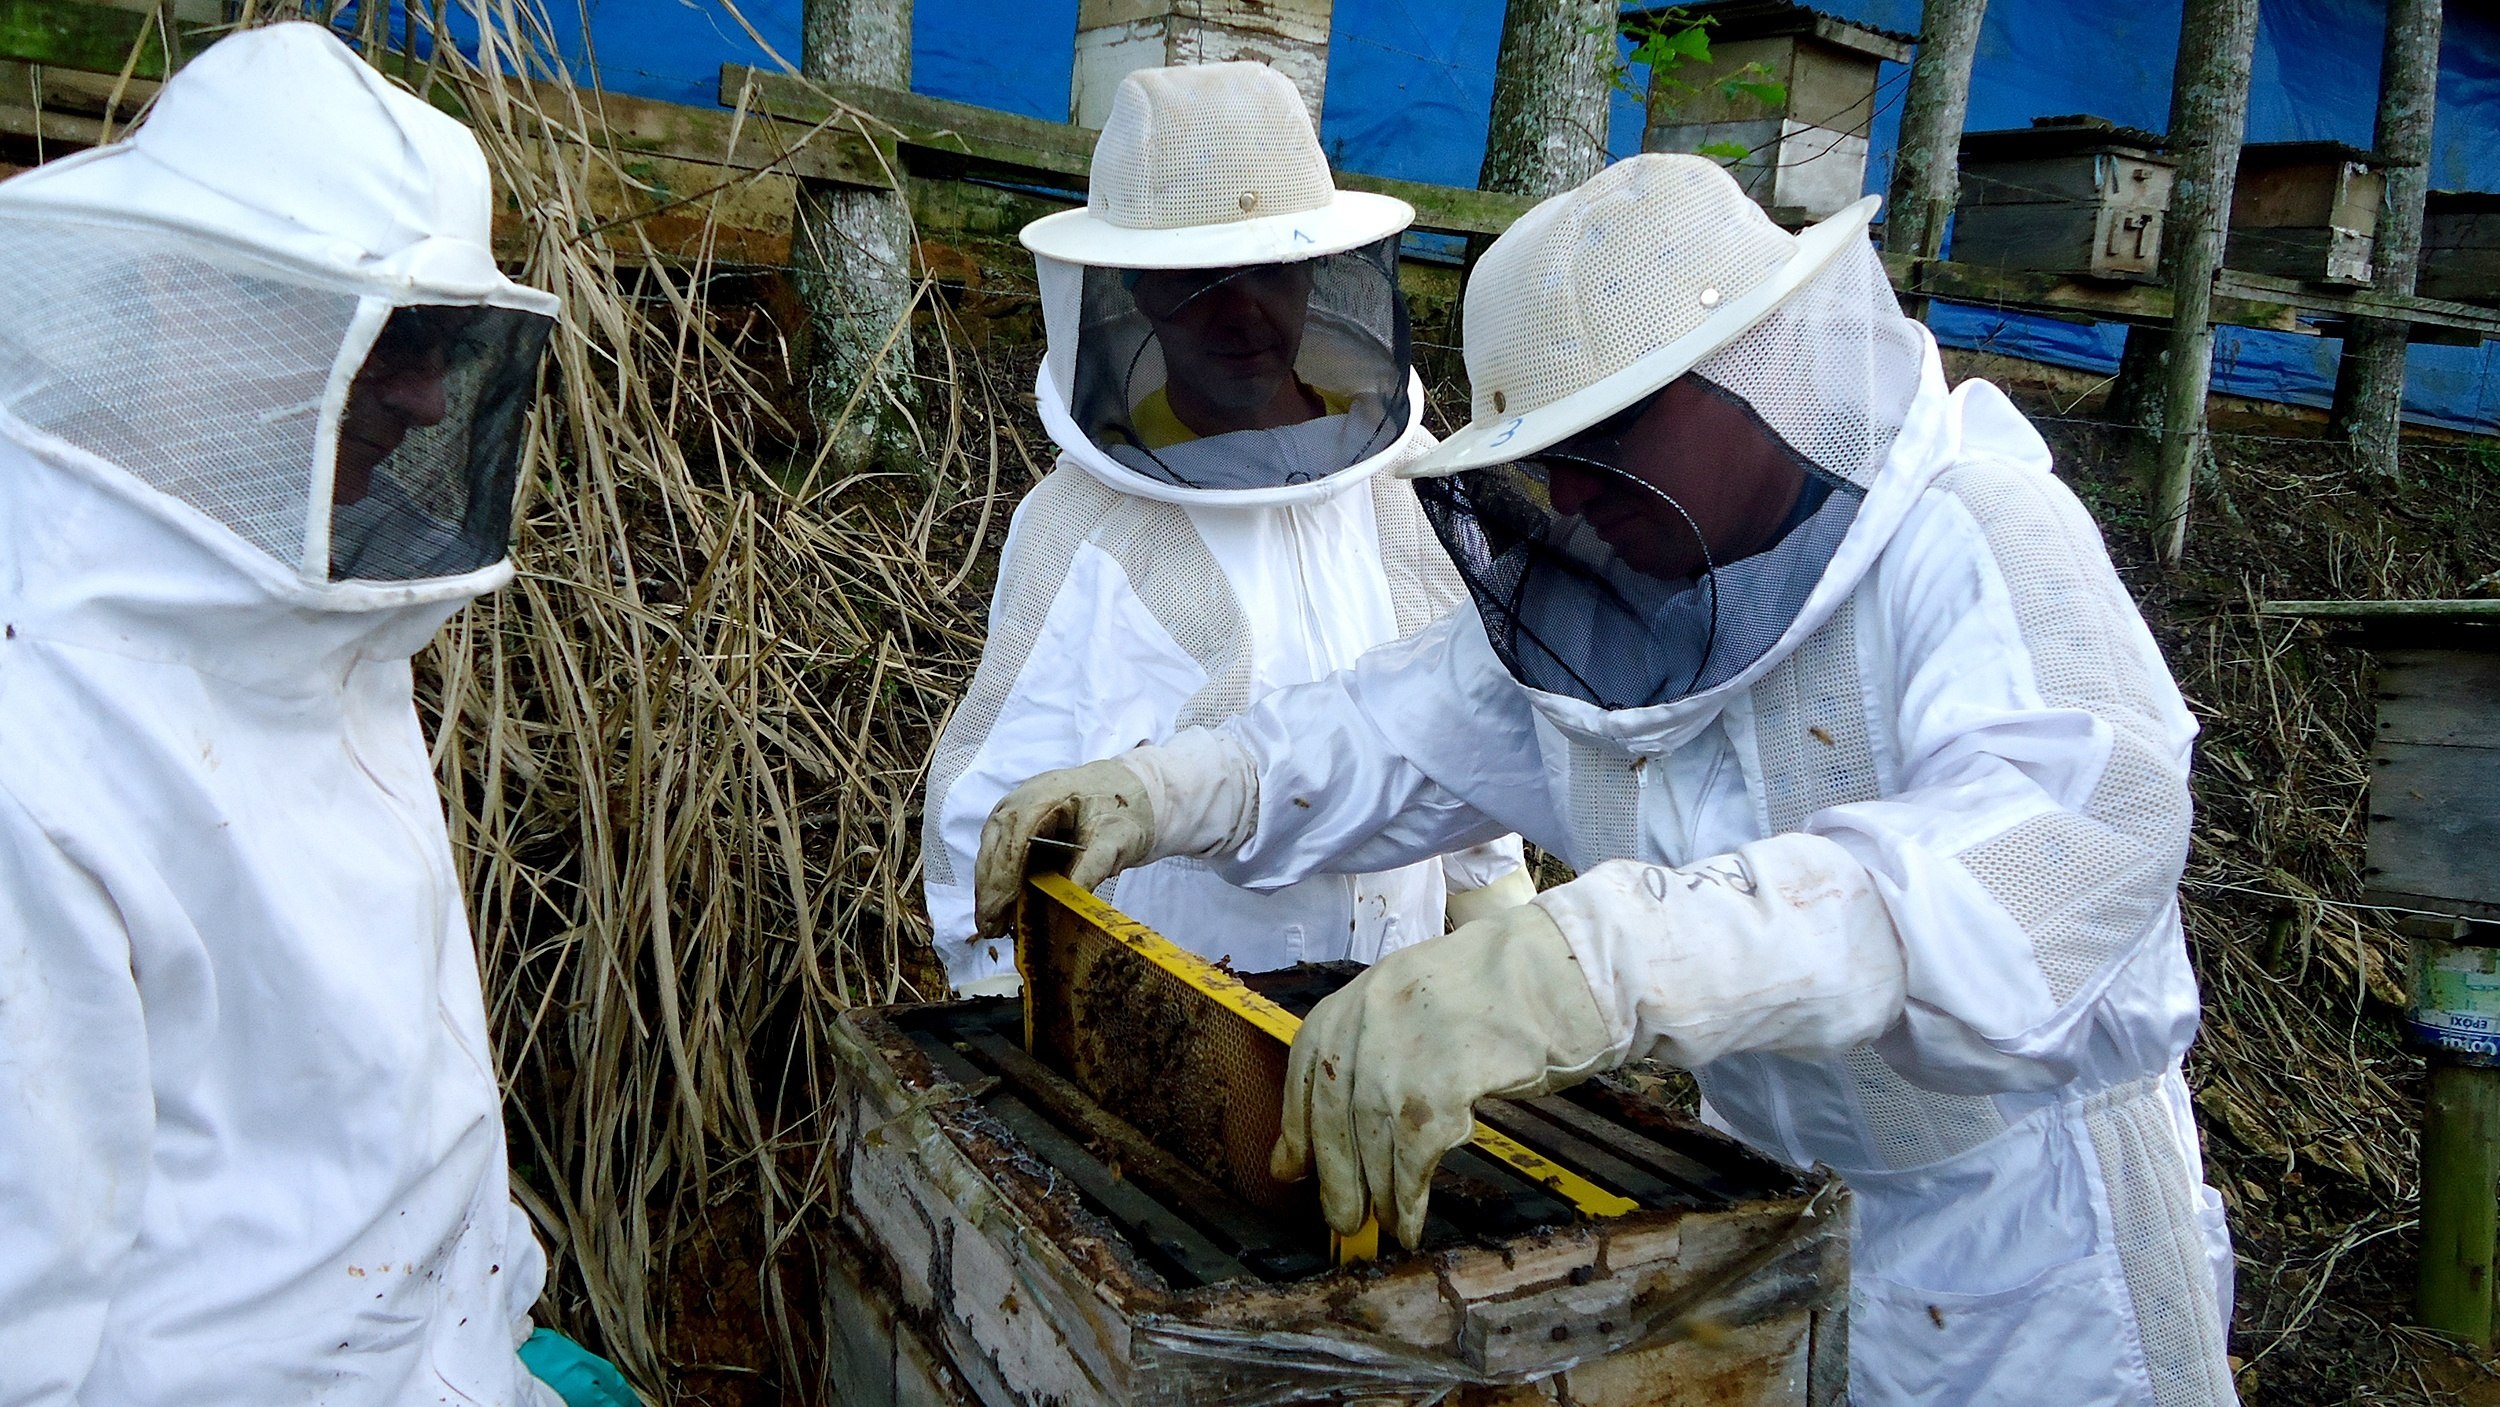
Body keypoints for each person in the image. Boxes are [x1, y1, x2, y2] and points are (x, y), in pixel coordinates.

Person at [975, 154, 2239, 1406]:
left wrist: (1594, 962)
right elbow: (1373, 732)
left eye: (1617, 430)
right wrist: (1166, 790)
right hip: (1762, 1211)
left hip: (2033, 1255)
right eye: (1550, 449)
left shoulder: (1979, 538)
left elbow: (2052, 850)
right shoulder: (1609, 594)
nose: (1575, 493)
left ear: (1770, 363)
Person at [0, 24, 629, 1407]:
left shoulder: (297, 580)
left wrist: (488, 1295)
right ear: (183, 296)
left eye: (441, 343)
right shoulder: (35, 730)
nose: (418, 399)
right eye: (383, 335)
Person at [922, 61, 1529, 994]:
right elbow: (990, 818)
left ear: (1319, 270)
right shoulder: (1078, 524)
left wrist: (1502, 926)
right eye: (1203, 278)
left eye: (1273, 270)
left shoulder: (1401, 478)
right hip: (1168, 1025)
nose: (1244, 311)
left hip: (1394, 1004)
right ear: (1140, 289)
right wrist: (1007, 1003)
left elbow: (1470, 714)